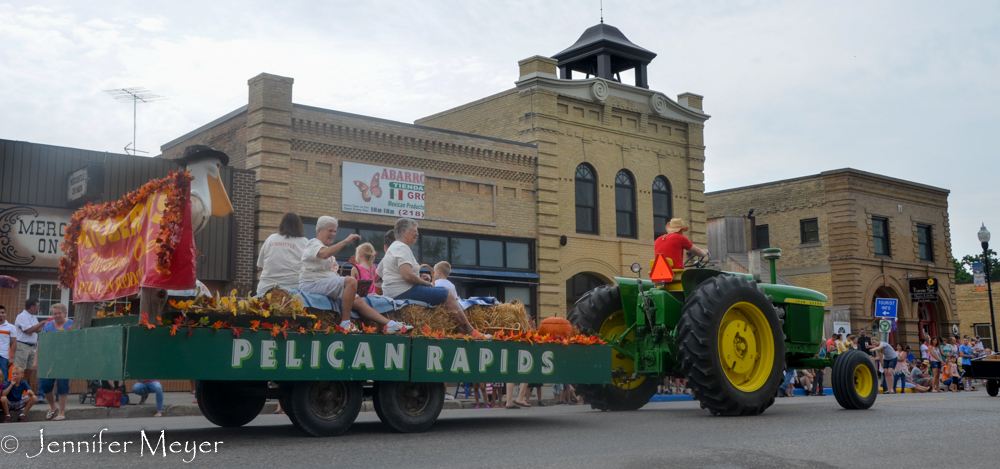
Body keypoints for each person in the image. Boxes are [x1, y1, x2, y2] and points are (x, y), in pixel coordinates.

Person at [299, 216, 411, 334]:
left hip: (326, 284)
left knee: (359, 301)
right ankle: (345, 322)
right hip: (311, 284)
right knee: (351, 281)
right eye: (330, 230)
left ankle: (390, 324)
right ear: (319, 231)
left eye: (335, 231)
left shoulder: (326, 247)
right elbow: (324, 254)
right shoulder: (313, 243)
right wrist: (346, 241)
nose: (333, 234)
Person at [379, 218, 477, 335]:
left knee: (443, 293)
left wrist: (419, 278)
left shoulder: (394, 247)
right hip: (402, 292)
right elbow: (407, 275)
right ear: (404, 232)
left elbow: (403, 274)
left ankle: (461, 330)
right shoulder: (402, 247)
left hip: (395, 291)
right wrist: (424, 283)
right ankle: (470, 330)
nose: (417, 233)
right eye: (414, 231)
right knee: (447, 294)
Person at [257, 212, 310, 295]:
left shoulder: (271, 238)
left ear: (282, 224)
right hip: (292, 290)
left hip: (265, 290)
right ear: (299, 225)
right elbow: (309, 269)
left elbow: (260, 266)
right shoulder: (305, 242)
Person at [37, 303, 72, 421]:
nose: (57, 316)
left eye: (59, 313)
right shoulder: (47, 326)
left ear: (64, 312)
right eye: (55, 314)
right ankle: (53, 406)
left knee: (62, 386)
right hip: (48, 360)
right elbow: (40, 344)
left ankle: (62, 411)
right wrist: (36, 361)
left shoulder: (71, 324)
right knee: (45, 385)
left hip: (65, 360)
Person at [13, 298, 44, 390]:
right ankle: (16, 391)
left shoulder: (33, 317)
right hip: (22, 346)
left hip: (32, 347)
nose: (38, 308)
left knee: (28, 371)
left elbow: (38, 330)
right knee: (19, 370)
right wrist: (42, 322)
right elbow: (29, 330)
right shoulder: (21, 316)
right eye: (37, 306)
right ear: (32, 307)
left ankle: (24, 392)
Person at [0, 305, 16, 379]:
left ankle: (2, 391)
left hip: (4, 356)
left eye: (3, 312)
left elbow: (13, 343)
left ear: (5, 314)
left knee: (3, 379)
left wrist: (12, 357)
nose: (1, 314)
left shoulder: (11, 327)